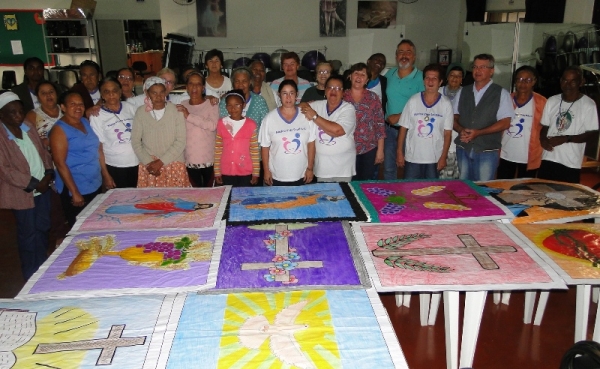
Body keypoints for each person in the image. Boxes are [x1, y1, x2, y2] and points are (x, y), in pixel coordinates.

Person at [0, 91, 54, 280]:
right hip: (23, 193)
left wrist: (48, 173)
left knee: (43, 228)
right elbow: (5, 170)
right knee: (28, 235)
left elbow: (43, 152)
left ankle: (42, 267)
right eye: (12, 113)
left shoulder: (28, 127)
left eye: (20, 111)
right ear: (2, 115)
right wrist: (34, 184)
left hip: (43, 188)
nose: (18, 116)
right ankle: (31, 275)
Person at [49, 91, 108, 227]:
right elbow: (60, 163)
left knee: (94, 223)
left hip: (94, 184)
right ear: (62, 107)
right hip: (75, 187)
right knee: (79, 227)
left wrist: (105, 175)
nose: (78, 107)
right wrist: (74, 192)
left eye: (80, 104)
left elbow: (96, 149)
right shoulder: (59, 130)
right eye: (72, 104)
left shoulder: (84, 121)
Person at [452, 54, 513, 181]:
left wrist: (479, 133)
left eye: (482, 67)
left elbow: (505, 123)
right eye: (475, 67)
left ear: (491, 71)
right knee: (464, 187)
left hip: (487, 150)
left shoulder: (501, 93)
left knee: (483, 188)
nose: (477, 70)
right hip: (464, 148)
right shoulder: (463, 91)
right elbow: (454, 116)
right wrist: (460, 129)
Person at [538, 66, 599, 183]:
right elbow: (545, 126)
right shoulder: (552, 100)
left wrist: (566, 139)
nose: (568, 84)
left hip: (570, 161)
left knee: (566, 197)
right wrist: (543, 139)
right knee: (542, 194)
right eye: (565, 80)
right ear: (560, 81)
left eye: (573, 81)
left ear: (581, 82)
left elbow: (592, 134)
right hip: (549, 157)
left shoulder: (588, 105)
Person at [131, 77, 190, 188]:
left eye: (161, 92)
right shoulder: (141, 112)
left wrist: (161, 162)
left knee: (176, 202)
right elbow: (135, 141)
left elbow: (181, 141)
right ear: (147, 93)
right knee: (152, 202)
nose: (158, 97)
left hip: (173, 163)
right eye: (154, 93)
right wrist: (149, 163)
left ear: (166, 92)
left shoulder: (176, 111)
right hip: (149, 166)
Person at [396, 64, 453, 179]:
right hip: (413, 157)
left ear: (440, 82)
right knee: (410, 191)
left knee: (430, 192)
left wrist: (443, 156)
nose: (430, 81)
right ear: (423, 81)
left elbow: (447, 134)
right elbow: (403, 128)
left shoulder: (445, 104)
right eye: (427, 78)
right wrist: (399, 152)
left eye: (434, 78)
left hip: (434, 158)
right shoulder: (413, 100)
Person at [300, 75, 356, 182]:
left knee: (344, 196)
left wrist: (315, 116)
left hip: (343, 168)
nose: (333, 91)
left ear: (343, 92)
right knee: (324, 197)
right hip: (322, 168)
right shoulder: (317, 105)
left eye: (338, 88)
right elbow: (299, 108)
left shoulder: (348, 108)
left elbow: (337, 131)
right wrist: (303, 104)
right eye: (330, 87)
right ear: (325, 91)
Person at [259, 80, 316, 186]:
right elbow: (265, 147)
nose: (288, 97)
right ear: (279, 95)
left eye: (291, 93)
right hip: (277, 175)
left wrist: (310, 168)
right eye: (284, 93)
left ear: (297, 95)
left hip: (302, 173)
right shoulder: (269, 118)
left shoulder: (306, 116)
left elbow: (311, 144)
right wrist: (266, 171)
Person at [383, 40, 425, 180]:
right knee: (389, 169)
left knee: (410, 170)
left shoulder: (421, 77)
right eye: (401, 52)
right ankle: (390, 199)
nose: (404, 55)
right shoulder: (389, 74)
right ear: (396, 56)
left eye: (408, 52)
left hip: (411, 131)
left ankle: (409, 200)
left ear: (414, 57)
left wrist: (400, 117)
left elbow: (424, 105)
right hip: (389, 130)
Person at [497, 65, 547, 179]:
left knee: (524, 192)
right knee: (502, 189)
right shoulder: (506, 99)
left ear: (534, 81)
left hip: (528, 157)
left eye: (527, 80)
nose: (523, 83)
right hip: (505, 154)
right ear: (515, 81)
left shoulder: (542, 102)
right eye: (519, 79)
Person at [90, 77, 139, 188]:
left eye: (114, 90)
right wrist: (106, 175)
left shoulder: (131, 108)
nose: (111, 94)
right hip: (114, 166)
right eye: (106, 91)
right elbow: (99, 149)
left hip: (137, 163)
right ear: (102, 95)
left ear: (120, 91)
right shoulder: (97, 116)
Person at [343, 62, 385, 180]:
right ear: (350, 76)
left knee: (366, 183)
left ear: (367, 80)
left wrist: (380, 150)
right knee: (349, 183)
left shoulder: (373, 98)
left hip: (369, 149)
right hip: (347, 149)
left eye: (363, 75)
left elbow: (380, 125)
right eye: (356, 73)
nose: (359, 77)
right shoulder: (342, 96)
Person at [178, 72, 219, 187]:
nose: (194, 87)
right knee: (195, 194)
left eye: (198, 84)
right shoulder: (182, 104)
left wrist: (189, 115)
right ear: (186, 87)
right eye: (191, 83)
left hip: (209, 159)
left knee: (210, 195)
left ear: (203, 88)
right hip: (189, 159)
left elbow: (212, 126)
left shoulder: (212, 104)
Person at [214, 90, 260, 187]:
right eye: (229, 105)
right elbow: (218, 149)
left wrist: (256, 172)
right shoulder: (221, 124)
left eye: (237, 105)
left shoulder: (251, 125)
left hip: (245, 173)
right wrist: (217, 171)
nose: (233, 108)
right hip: (226, 172)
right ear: (226, 106)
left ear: (243, 105)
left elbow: (254, 150)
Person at [438, 64, 464, 179]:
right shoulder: (437, 91)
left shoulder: (467, 93)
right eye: (452, 75)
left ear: (462, 79)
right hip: (438, 139)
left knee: (455, 176)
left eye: (459, 76)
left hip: (457, 141)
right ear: (447, 77)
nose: (455, 78)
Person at [25, 80, 63, 149]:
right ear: (38, 98)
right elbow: (28, 142)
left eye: (51, 92)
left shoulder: (66, 110)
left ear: (56, 94)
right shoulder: (32, 116)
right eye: (43, 93)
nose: (48, 95)